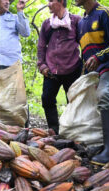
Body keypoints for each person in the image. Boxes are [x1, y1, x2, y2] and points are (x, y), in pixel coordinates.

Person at [76, 0, 109, 164]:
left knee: (104, 93)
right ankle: (98, 144)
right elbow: (85, 53)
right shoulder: (82, 22)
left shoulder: (106, 13)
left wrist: (99, 57)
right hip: (91, 73)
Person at [37, 0, 82, 135]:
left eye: (51, 1)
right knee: (47, 99)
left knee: (73, 102)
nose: (48, 4)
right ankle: (54, 129)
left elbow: (84, 43)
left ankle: (73, 131)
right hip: (51, 71)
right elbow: (41, 47)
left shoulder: (76, 21)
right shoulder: (47, 24)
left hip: (72, 69)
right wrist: (42, 65)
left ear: (61, 1)